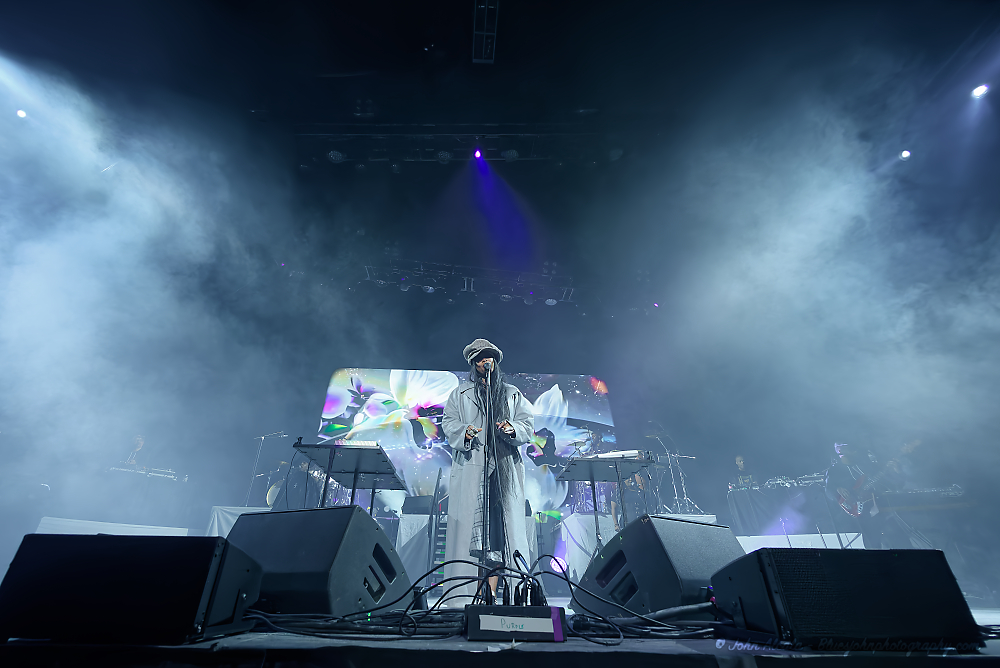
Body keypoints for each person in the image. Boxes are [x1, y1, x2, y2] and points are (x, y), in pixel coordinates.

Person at [442, 338, 534, 603]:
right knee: (476, 534)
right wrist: (465, 432)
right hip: (474, 469)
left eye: (490, 356)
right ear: (474, 363)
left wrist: (512, 429)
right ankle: (471, 593)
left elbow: (527, 424)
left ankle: (493, 592)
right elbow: (449, 422)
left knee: (499, 534)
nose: (487, 360)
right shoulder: (460, 394)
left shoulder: (511, 393)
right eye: (482, 357)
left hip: (503, 470)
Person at [825, 442, 909, 549]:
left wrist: (897, 472)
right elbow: (829, 491)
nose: (840, 451)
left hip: (882, 509)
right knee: (872, 544)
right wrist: (838, 489)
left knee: (901, 541)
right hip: (859, 514)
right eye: (838, 448)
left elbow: (895, 485)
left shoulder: (867, 466)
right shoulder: (834, 470)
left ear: (853, 450)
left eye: (843, 447)